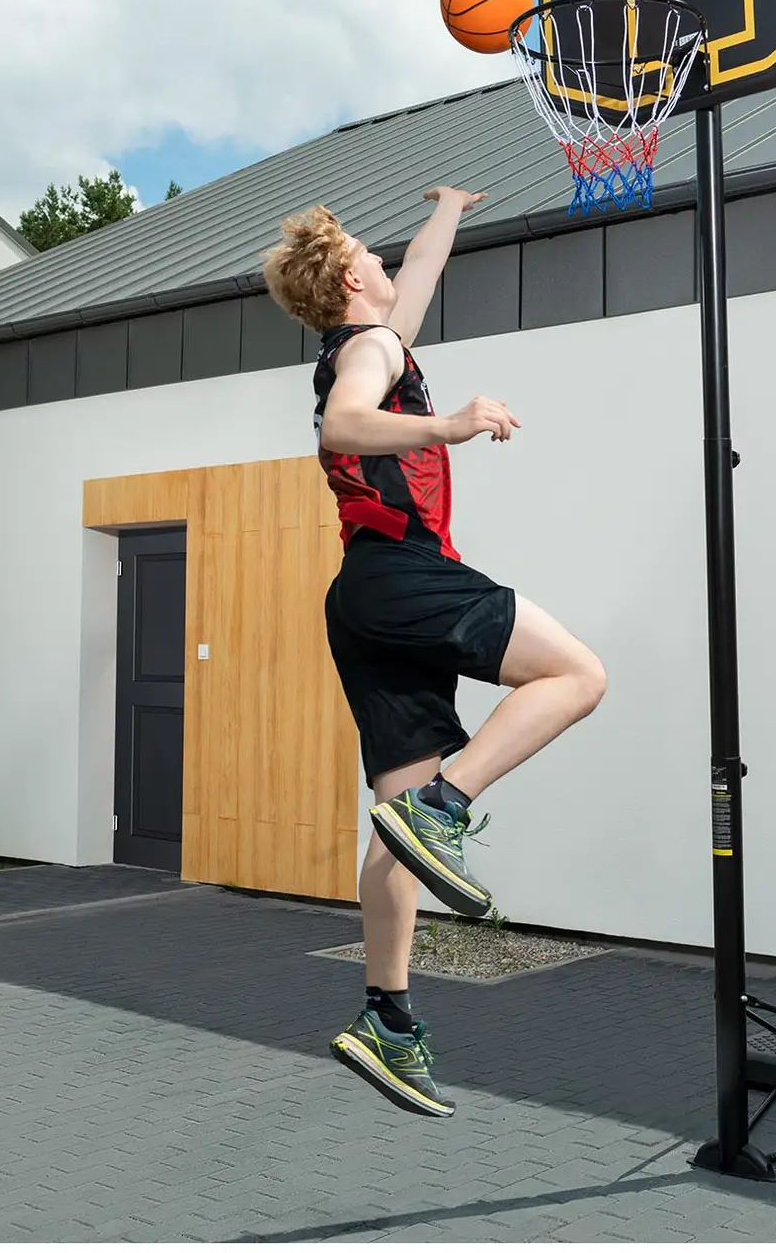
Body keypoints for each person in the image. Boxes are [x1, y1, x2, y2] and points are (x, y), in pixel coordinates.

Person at [262, 189, 607, 1119]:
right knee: (579, 675)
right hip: (402, 572)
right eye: (370, 255)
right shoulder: (367, 354)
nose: (384, 264)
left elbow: (415, 281)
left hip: (361, 598)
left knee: (394, 820)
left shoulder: (373, 337)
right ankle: (451, 805)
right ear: (346, 277)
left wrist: (448, 211)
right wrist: (449, 424)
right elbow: (344, 425)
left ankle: (389, 1017)